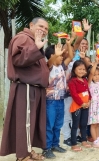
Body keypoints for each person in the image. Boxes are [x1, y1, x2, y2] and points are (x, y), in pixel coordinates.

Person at [0, 17, 49, 161]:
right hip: (26, 88)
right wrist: (36, 47)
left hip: (34, 88)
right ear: (31, 25)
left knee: (30, 123)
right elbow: (18, 59)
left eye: (46, 28)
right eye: (41, 26)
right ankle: (22, 156)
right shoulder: (23, 38)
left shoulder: (32, 41)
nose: (44, 30)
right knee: (25, 122)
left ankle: (27, 150)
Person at [42, 42, 72, 159]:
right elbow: (49, 62)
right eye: (59, 55)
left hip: (60, 100)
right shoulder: (48, 66)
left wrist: (69, 44)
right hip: (50, 101)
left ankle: (55, 145)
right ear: (52, 56)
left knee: (58, 124)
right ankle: (47, 148)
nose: (62, 57)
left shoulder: (62, 66)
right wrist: (55, 56)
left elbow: (69, 57)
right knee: (49, 125)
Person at [68, 60, 92, 152]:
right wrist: (82, 103)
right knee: (75, 125)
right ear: (74, 70)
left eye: (83, 69)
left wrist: (89, 100)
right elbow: (74, 95)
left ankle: (84, 140)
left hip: (86, 106)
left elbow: (88, 91)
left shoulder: (85, 80)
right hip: (78, 106)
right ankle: (73, 143)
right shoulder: (72, 81)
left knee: (83, 124)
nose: (82, 71)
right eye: (79, 69)